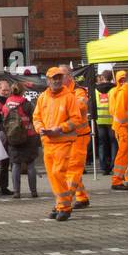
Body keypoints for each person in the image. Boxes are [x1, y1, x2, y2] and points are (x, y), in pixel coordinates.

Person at [32, 67, 84, 221]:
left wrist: (60, 128)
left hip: (63, 140)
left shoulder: (69, 97)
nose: (57, 80)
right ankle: (60, 204)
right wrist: (40, 129)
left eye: (59, 78)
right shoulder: (43, 97)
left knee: (58, 173)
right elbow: (37, 117)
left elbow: (76, 119)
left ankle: (64, 207)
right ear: (48, 80)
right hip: (48, 142)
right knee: (53, 176)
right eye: (54, 78)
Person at [58, 65, 92, 209]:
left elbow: (81, 106)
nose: (59, 79)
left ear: (69, 76)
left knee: (73, 168)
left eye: (62, 75)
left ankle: (65, 200)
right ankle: (82, 197)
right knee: (70, 169)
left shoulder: (78, 91)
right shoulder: (60, 93)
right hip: (67, 136)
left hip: (80, 136)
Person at [2, 83, 40, 198]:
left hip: (13, 137)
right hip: (29, 136)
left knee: (15, 165)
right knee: (30, 165)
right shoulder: (27, 104)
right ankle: (33, 192)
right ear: (23, 91)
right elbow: (35, 118)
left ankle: (16, 192)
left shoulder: (6, 105)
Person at [93, 70, 116, 175]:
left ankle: (103, 167)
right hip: (112, 119)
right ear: (111, 77)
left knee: (102, 144)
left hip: (100, 120)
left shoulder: (96, 89)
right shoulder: (115, 88)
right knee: (113, 143)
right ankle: (114, 165)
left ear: (102, 77)